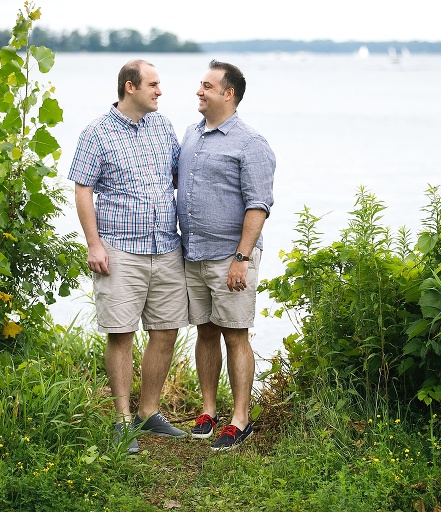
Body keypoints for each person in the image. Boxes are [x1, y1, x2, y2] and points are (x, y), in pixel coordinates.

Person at [68, 59, 188, 455]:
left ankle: (148, 413)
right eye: (153, 85)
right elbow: (83, 190)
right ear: (130, 87)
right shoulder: (96, 133)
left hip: (166, 247)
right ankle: (122, 421)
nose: (160, 92)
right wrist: (93, 244)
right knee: (120, 333)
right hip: (120, 248)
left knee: (166, 330)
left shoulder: (164, 126)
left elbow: (177, 178)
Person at [177, 60, 276, 451]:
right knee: (204, 330)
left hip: (230, 257)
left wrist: (242, 257)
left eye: (207, 86)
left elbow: (259, 205)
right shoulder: (191, 135)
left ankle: (240, 419)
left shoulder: (250, 143)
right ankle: (207, 410)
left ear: (228, 93)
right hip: (193, 252)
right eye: (200, 85)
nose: (199, 92)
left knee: (235, 335)